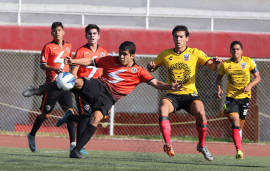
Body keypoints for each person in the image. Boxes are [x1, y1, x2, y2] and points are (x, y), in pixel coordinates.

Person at [23, 41, 182, 158]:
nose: (121, 56)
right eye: (120, 52)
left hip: (109, 98)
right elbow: (90, 62)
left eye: (124, 54)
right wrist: (74, 61)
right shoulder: (110, 60)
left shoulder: (139, 71)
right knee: (74, 81)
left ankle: (76, 150)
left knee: (95, 118)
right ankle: (38, 89)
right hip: (99, 86)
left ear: (132, 55)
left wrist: (170, 86)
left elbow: (155, 83)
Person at [147, 25, 222, 161]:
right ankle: (168, 144)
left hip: (190, 94)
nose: (178, 39)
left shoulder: (195, 53)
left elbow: (211, 66)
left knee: (201, 113)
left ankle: (201, 145)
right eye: (176, 36)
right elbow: (152, 67)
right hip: (173, 93)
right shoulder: (165, 54)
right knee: (163, 108)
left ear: (187, 38)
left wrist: (216, 64)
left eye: (181, 36)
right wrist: (150, 66)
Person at [22, 22, 75, 152]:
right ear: (51, 33)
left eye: (59, 30)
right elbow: (42, 65)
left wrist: (71, 76)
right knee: (45, 115)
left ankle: (73, 144)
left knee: (70, 114)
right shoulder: (48, 46)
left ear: (64, 32)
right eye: (54, 31)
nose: (57, 33)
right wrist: (54, 69)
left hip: (65, 87)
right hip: (52, 86)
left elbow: (70, 63)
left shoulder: (69, 46)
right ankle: (32, 135)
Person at [57, 24, 108, 154]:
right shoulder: (81, 51)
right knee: (86, 116)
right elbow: (74, 71)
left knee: (90, 116)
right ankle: (79, 147)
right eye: (90, 34)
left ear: (99, 36)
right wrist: (76, 87)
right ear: (86, 36)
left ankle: (70, 118)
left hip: (96, 89)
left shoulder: (103, 52)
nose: (92, 36)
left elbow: (105, 71)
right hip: (83, 88)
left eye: (94, 33)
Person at [216, 40, 261, 159]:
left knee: (240, 125)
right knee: (235, 121)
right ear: (230, 51)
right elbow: (219, 78)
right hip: (231, 97)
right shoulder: (225, 64)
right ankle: (239, 150)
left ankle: (238, 132)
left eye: (237, 49)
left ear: (241, 51)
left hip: (245, 98)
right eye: (233, 49)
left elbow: (258, 77)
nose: (235, 51)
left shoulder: (248, 62)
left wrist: (250, 85)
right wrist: (219, 89)